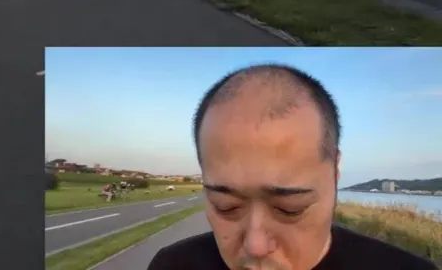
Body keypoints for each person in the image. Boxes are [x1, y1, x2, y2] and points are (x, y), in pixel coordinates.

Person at [147, 63, 435, 270]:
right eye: (226, 207)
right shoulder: (173, 265)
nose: (255, 246)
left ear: (335, 174)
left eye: (289, 209)